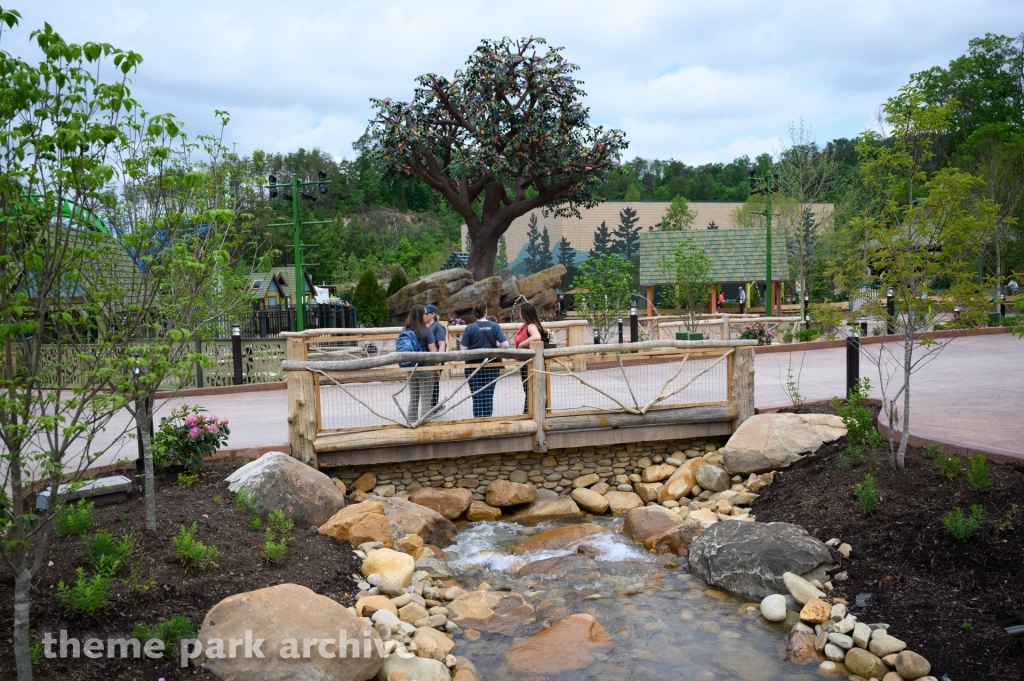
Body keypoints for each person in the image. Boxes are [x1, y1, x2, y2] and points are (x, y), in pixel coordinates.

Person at [459, 302, 509, 417]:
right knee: (488, 396)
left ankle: (478, 422)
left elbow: (463, 350)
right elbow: (505, 345)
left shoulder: (470, 328)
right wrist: (495, 348)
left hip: (473, 367)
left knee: (476, 396)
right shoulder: (494, 326)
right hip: (492, 366)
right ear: (486, 311)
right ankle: (488, 422)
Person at [396, 304, 432, 423]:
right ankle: (424, 427)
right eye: (425, 313)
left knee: (413, 399)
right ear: (421, 315)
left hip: (410, 367)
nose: (426, 315)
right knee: (426, 399)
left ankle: (411, 424)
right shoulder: (426, 331)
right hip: (425, 368)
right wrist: (438, 367)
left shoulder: (405, 330)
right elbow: (434, 353)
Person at [513, 303, 548, 413]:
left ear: (524, 314)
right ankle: (530, 412)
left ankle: (530, 412)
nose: (519, 314)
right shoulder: (525, 325)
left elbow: (537, 336)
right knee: (528, 388)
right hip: (525, 362)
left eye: (520, 312)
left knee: (530, 388)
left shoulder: (531, 326)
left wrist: (523, 343)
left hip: (530, 363)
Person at [424, 304, 446, 409]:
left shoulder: (438, 327)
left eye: (426, 313)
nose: (423, 315)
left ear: (432, 314)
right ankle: (430, 405)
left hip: (435, 359)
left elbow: (442, 344)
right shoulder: (423, 326)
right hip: (424, 359)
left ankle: (434, 405)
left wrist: (439, 361)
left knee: (434, 382)